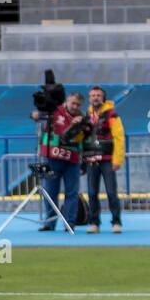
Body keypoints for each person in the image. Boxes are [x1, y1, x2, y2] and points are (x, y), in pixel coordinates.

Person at [37, 91, 88, 232]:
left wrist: (79, 126)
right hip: (52, 158)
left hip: (72, 161)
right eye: (73, 103)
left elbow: (84, 139)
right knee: (49, 192)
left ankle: (69, 223)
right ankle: (49, 223)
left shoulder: (83, 118)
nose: (75, 106)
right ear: (67, 101)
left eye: (78, 104)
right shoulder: (54, 111)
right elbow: (39, 116)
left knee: (71, 193)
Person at [82, 85, 124, 233]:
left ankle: (116, 222)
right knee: (92, 193)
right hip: (91, 160)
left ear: (103, 98)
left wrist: (117, 160)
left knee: (111, 192)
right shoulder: (86, 116)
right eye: (93, 95)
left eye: (98, 95)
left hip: (107, 159)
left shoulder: (111, 114)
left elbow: (119, 137)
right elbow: (82, 137)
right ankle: (94, 223)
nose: (95, 98)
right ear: (89, 98)